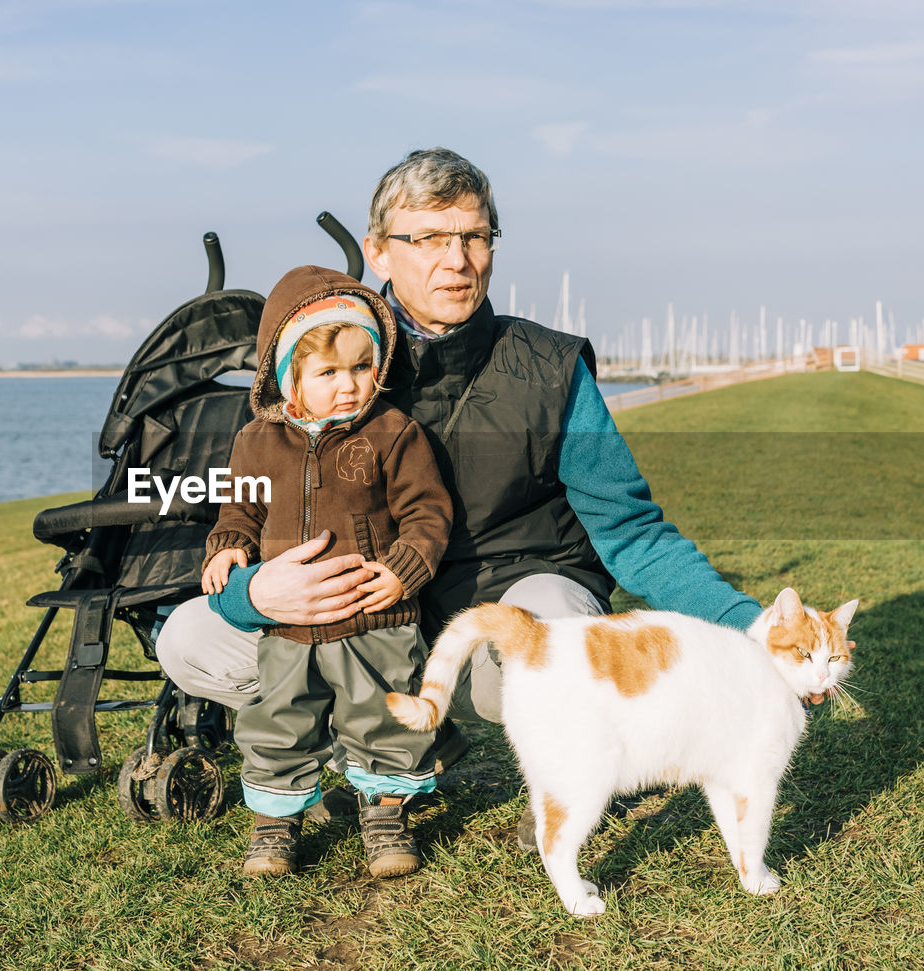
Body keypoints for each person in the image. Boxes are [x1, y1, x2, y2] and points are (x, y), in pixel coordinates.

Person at [156, 146, 764, 853]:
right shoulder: (322, 362)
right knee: (190, 637)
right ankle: (369, 756)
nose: (458, 260)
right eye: (431, 239)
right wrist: (256, 593)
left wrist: (751, 629)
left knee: (558, 631)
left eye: (475, 236)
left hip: (503, 603)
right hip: (365, 622)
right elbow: (246, 511)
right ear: (379, 252)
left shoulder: (549, 368)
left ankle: (575, 759)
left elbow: (632, 533)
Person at [201, 265, 452, 878]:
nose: (350, 386)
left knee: (381, 717)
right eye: (329, 373)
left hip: (375, 615)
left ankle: (386, 812)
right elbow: (240, 505)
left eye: (363, 368)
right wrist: (228, 543)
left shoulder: (393, 433)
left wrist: (405, 568)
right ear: (289, 377)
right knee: (278, 720)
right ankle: (274, 825)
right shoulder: (257, 442)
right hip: (289, 626)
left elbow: (427, 513)